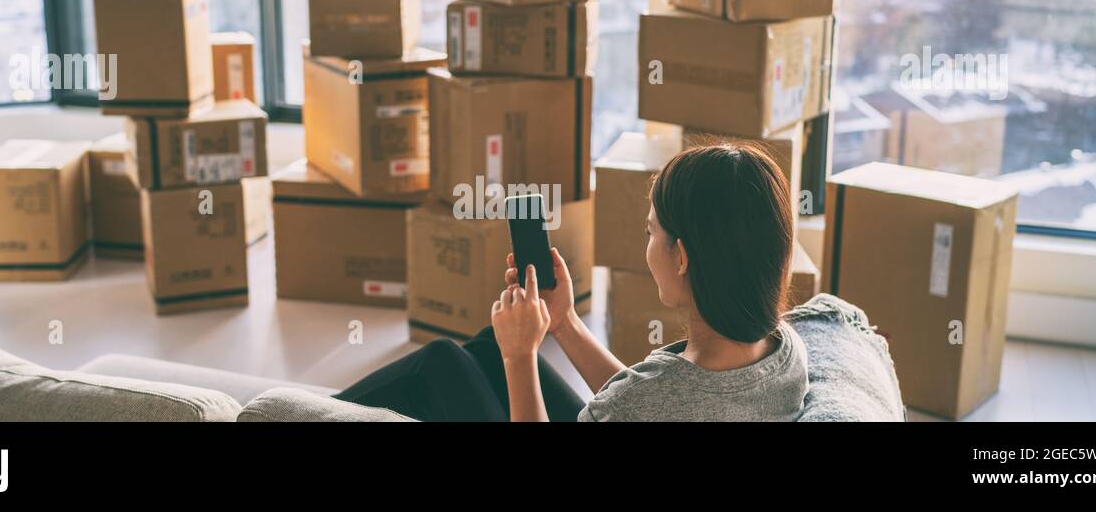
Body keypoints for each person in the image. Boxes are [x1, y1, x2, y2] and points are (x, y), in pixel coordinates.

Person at [335, 141, 808, 422]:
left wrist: (521, 356)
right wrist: (563, 323)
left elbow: (643, 401)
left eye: (651, 232)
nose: (646, 246)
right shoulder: (785, 348)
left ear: (681, 256)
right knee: (483, 350)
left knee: (441, 362)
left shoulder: (644, 399)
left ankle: (288, 412)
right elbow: (653, 399)